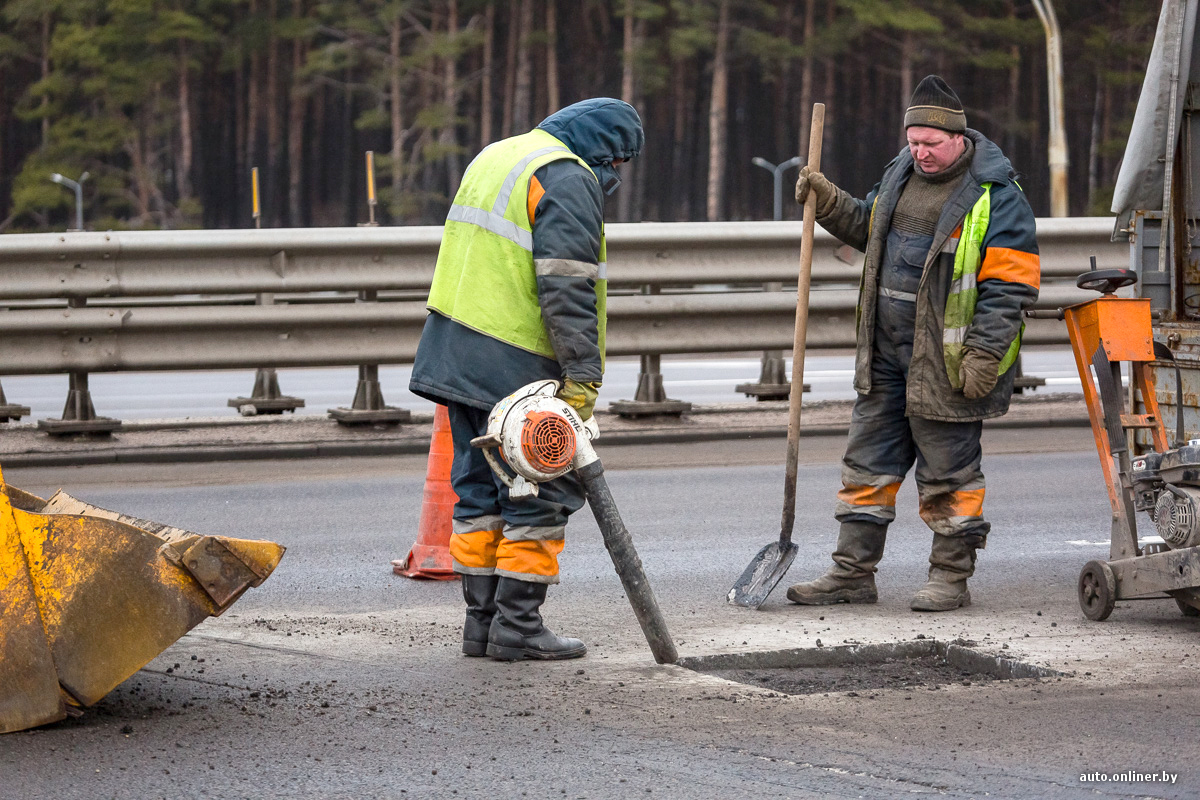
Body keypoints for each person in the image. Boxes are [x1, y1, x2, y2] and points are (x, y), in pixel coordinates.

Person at [786, 75, 1039, 612]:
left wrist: (985, 354)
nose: (919, 152)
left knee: (949, 477)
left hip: (948, 363)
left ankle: (950, 578)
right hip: (885, 358)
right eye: (913, 141)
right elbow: (869, 229)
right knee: (866, 468)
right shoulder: (900, 173)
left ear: (958, 138)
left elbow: (1010, 289)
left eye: (930, 143)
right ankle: (852, 574)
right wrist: (828, 202)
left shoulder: (998, 197)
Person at [410, 98, 643, 659]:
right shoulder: (565, 177)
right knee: (540, 488)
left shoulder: (499, 155)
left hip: (453, 352)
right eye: (617, 163)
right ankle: (517, 627)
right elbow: (566, 286)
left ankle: (481, 625)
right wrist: (582, 373)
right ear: (603, 149)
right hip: (514, 360)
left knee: (479, 488)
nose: (614, 176)